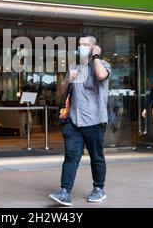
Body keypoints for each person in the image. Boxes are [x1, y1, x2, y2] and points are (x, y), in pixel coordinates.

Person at [49, 33, 112, 206]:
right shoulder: (74, 66)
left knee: (96, 157)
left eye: (85, 44)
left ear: (93, 47)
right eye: (79, 44)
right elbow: (62, 92)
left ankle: (99, 189)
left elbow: (101, 76)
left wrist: (96, 56)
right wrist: (68, 79)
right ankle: (65, 192)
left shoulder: (103, 64)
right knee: (70, 157)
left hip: (95, 121)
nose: (81, 47)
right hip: (74, 122)